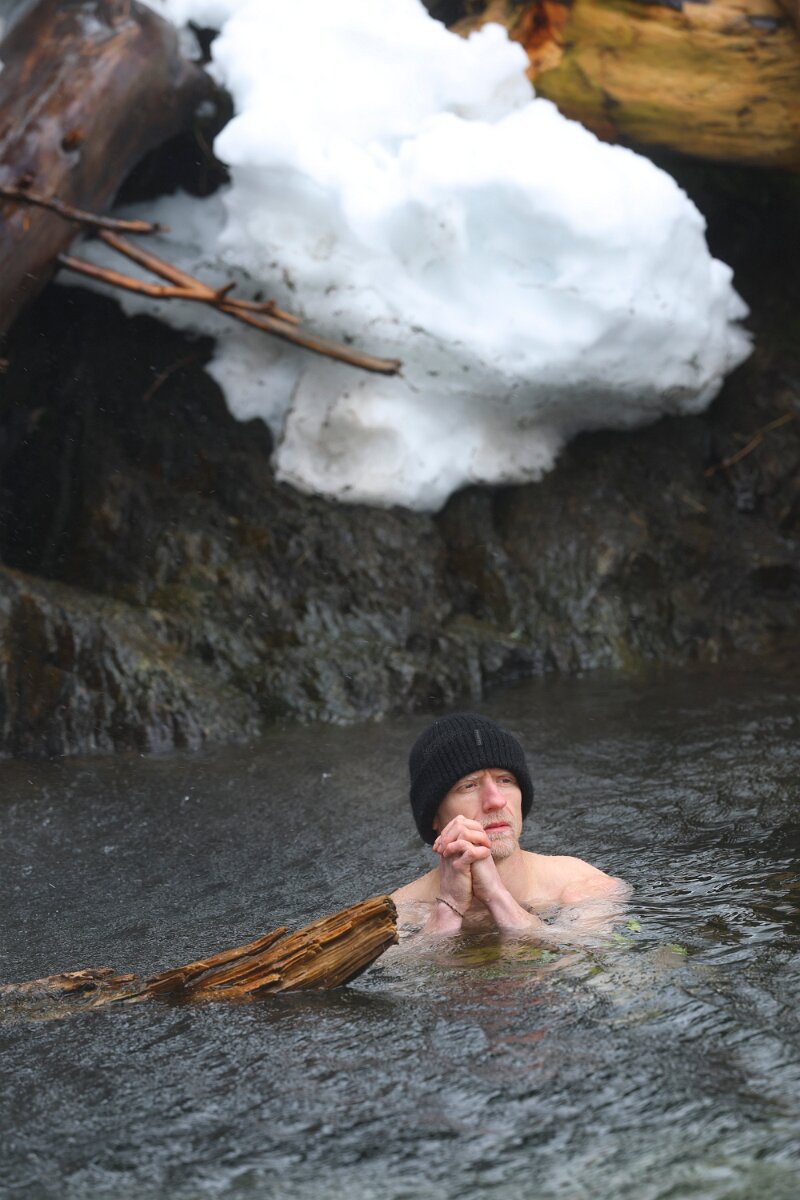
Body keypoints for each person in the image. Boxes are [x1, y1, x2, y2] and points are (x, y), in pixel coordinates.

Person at [391, 712, 626, 936]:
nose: (496, 800)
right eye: (468, 786)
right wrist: (449, 907)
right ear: (433, 816)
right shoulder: (397, 913)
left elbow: (583, 958)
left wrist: (497, 897)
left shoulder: (582, 885)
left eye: (505, 780)